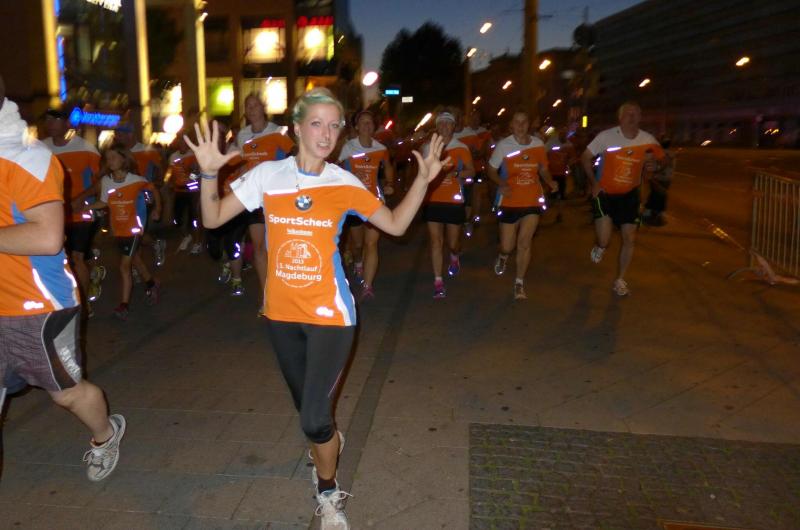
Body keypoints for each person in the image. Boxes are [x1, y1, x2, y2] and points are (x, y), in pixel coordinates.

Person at [184, 87, 447, 530]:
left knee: (313, 419)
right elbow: (212, 219)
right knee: (310, 413)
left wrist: (423, 181)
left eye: (334, 126)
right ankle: (327, 438)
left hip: (332, 317)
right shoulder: (268, 175)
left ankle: (327, 491)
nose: (326, 134)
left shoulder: (343, 183)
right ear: (296, 128)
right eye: (317, 124)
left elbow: (396, 224)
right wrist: (209, 173)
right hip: (281, 316)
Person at [0, 81, 125, 482]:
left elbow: (47, 237)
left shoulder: (27, 158)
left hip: (38, 308)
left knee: (66, 393)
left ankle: (105, 435)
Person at [581, 101, 665, 296]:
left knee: (629, 238)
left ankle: (620, 279)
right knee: (605, 239)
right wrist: (594, 182)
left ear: (640, 117)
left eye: (636, 113)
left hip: (630, 195)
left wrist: (656, 165)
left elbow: (663, 159)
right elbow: (585, 157)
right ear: (620, 117)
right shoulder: (606, 137)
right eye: (628, 113)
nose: (632, 117)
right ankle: (600, 246)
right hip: (605, 194)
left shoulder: (647, 139)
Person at [85, 143, 162, 320]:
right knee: (135, 259)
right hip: (118, 229)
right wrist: (85, 207)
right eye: (107, 158)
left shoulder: (136, 180)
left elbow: (154, 190)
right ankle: (151, 284)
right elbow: (104, 202)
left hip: (134, 227)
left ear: (123, 159)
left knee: (124, 266)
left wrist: (157, 209)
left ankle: (124, 305)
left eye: (114, 157)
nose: (110, 161)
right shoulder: (106, 181)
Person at [487, 109, 558, 300]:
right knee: (507, 246)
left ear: (529, 124)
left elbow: (543, 169)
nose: (520, 126)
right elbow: (491, 170)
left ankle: (519, 283)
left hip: (531, 199)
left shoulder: (538, 144)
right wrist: (501, 184)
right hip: (509, 201)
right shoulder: (503, 145)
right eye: (516, 122)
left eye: (524, 121)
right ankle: (503, 256)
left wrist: (550, 181)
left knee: (525, 243)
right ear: (511, 125)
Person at [234, 93, 295, 304]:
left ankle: (285, 289)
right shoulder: (242, 135)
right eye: (248, 106)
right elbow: (242, 163)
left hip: (277, 197)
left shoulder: (278, 131)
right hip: (254, 198)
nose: (251, 109)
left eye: (255, 105)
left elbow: (293, 158)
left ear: (263, 108)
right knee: (259, 247)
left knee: (277, 246)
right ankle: (267, 296)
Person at [41, 109, 102, 311]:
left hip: (81, 213)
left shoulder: (86, 149)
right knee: (64, 259)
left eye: (55, 119)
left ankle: (83, 306)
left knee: (76, 258)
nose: (50, 123)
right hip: (55, 215)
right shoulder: (41, 149)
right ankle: (90, 274)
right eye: (47, 119)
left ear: (67, 123)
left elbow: (101, 182)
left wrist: (81, 198)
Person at [337, 110, 395, 301]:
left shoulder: (381, 148)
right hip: (353, 202)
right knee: (358, 244)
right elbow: (336, 168)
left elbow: (388, 167)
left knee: (371, 243)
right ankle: (358, 262)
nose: (366, 126)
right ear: (356, 126)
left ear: (374, 126)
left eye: (369, 122)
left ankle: (368, 285)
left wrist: (389, 183)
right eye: (363, 122)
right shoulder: (348, 147)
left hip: (374, 201)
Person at [422, 110, 475, 299]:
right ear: (436, 127)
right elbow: (422, 172)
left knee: (453, 244)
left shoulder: (461, 147)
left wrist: (458, 174)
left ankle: (454, 255)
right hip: (433, 199)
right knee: (436, 242)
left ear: (453, 127)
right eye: (441, 123)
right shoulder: (428, 147)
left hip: (454, 200)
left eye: (448, 123)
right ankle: (438, 281)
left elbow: (471, 171)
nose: (444, 126)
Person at [114, 122, 166, 266]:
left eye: (120, 134)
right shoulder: (119, 152)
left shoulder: (145, 150)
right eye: (117, 135)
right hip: (124, 198)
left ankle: (140, 263)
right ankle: (151, 249)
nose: (117, 137)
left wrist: (158, 182)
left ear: (130, 134)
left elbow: (160, 167)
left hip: (143, 197)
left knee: (136, 232)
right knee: (131, 232)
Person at [453, 111, 490, 236]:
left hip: (475, 169)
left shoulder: (472, 134)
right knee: (461, 195)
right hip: (457, 172)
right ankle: (461, 219)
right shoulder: (450, 134)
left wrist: (470, 156)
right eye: (456, 118)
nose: (458, 121)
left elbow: (480, 152)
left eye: (459, 118)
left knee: (474, 192)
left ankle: (474, 217)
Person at [167, 135, 203, 255]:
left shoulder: (194, 154)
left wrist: (190, 178)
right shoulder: (173, 156)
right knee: (177, 219)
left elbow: (199, 172)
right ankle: (187, 236)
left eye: (184, 141)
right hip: (179, 191)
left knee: (195, 218)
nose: (182, 143)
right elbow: (171, 173)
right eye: (180, 141)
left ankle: (197, 243)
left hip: (192, 191)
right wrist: (170, 183)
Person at [642, 136, 675, 226]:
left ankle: (650, 211)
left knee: (655, 194)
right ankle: (658, 213)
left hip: (656, 178)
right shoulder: (671, 154)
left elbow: (651, 165)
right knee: (661, 195)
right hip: (666, 178)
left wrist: (649, 174)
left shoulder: (657, 153)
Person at [545, 127, 576, 223]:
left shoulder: (569, 145)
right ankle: (546, 211)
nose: (563, 136)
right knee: (552, 194)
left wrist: (568, 165)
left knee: (561, 194)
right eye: (562, 134)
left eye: (565, 134)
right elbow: (543, 155)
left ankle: (559, 213)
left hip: (562, 173)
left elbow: (573, 157)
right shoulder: (550, 143)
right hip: (551, 173)